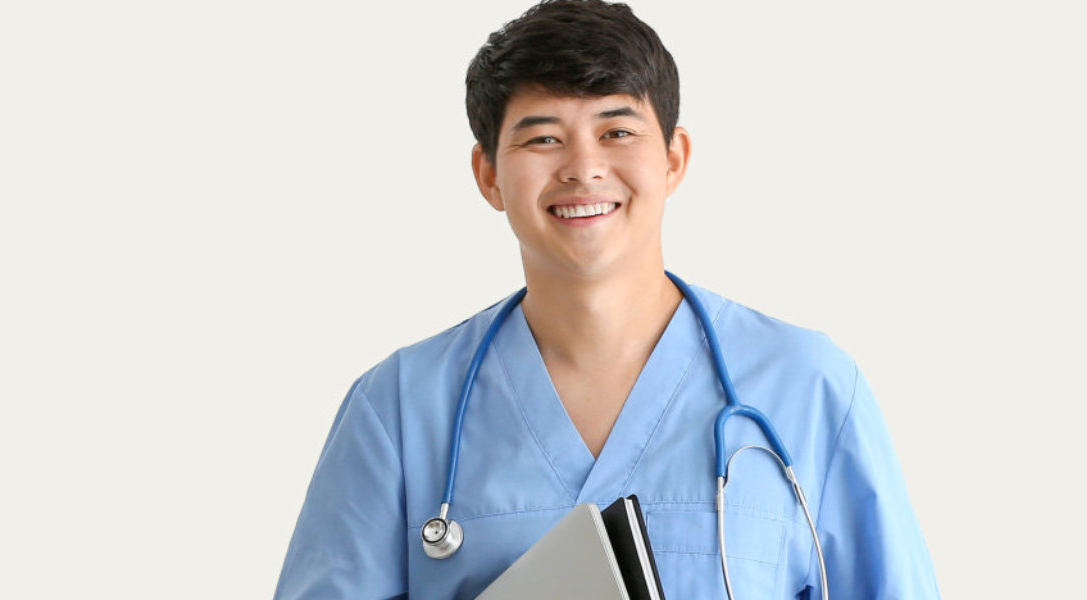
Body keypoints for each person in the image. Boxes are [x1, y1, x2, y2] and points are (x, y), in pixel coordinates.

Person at [271, 1, 939, 597]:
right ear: (488, 174)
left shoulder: (807, 387)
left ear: (674, 159)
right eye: (542, 137)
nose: (583, 167)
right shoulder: (397, 411)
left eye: (617, 131)